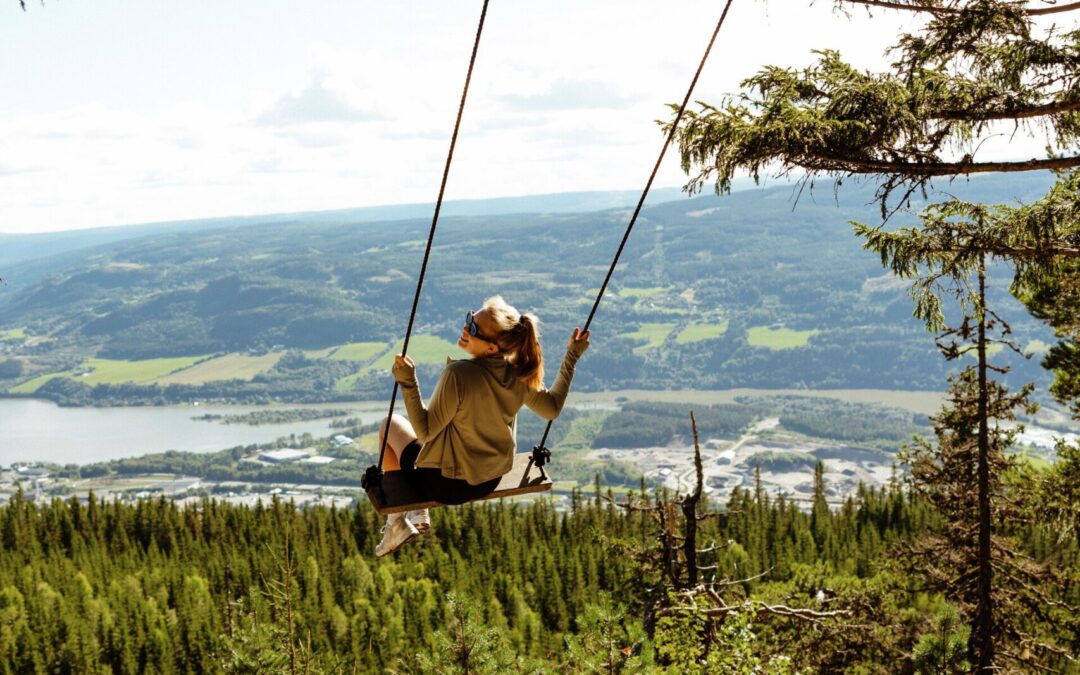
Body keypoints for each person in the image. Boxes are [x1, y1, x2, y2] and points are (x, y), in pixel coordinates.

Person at [375, 295, 590, 557]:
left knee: (390, 425)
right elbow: (552, 408)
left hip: (445, 486)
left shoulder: (459, 375)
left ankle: (397, 523)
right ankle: (413, 515)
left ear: (491, 348)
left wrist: (408, 382)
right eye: (469, 319)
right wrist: (572, 356)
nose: (466, 328)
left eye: (474, 328)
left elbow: (426, 431)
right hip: (489, 479)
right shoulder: (517, 375)